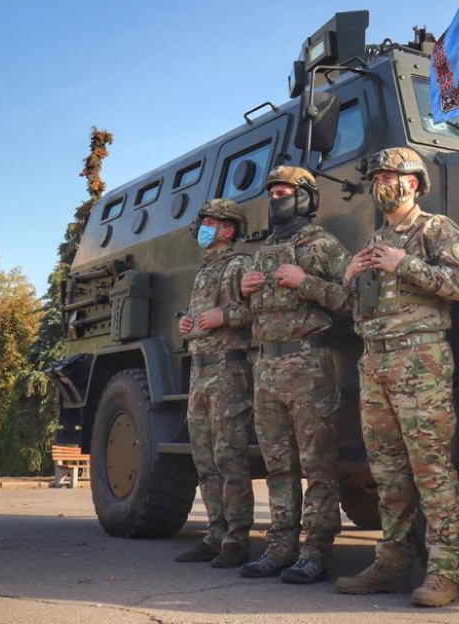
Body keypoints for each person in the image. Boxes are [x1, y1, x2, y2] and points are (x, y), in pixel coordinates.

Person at [335, 147, 459, 607]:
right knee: (387, 473)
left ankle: (442, 571)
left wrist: (404, 263)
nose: (380, 184)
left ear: (412, 182)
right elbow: (359, 310)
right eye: (375, 178)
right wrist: (350, 279)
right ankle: (392, 563)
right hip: (374, 363)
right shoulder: (372, 241)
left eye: (388, 176)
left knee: (430, 469)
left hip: (421, 360)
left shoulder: (436, 228)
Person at [238, 165, 351, 584]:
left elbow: (353, 299)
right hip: (266, 368)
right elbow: (258, 315)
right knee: (278, 465)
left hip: (308, 366)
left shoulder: (322, 245)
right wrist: (247, 294)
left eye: (284, 192)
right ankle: (280, 546)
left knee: (318, 464)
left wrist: (306, 283)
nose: (276, 199)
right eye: (272, 193)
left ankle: (316, 551)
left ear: (304, 198)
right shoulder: (263, 252)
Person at [174, 198, 255, 569]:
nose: (203, 227)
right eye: (202, 220)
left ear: (229, 229)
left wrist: (226, 315)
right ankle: (215, 534)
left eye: (210, 221)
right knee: (204, 458)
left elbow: (258, 310)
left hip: (227, 370)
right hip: (200, 370)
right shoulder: (204, 271)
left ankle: (237, 539)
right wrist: (186, 326)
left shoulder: (240, 265)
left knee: (229, 457)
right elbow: (199, 319)